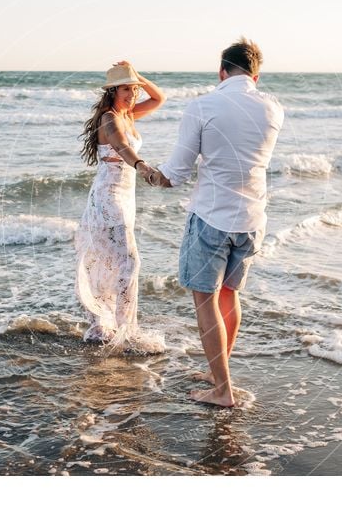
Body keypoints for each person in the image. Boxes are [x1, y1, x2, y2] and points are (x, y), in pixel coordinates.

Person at [149, 38, 283, 406]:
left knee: (205, 300)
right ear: (256, 74)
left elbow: (175, 172)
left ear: (221, 70)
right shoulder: (273, 109)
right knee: (229, 295)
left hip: (212, 217)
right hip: (252, 219)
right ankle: (217, 370)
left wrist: (147, 172)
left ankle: (222, 389)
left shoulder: (203, 105)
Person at [75, 61, 165, 347]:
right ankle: (127, 330)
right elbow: (122, 148)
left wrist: (137, 76)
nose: (132, 94)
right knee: (130, 260)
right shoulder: (110, 119)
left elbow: (159, 98)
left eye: (134, 89)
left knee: (114, 260)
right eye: (126, 88)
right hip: (108, 196)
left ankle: (109, 324)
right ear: (113, 90)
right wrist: (143, 167)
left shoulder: (130, 115)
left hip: (126, 197)